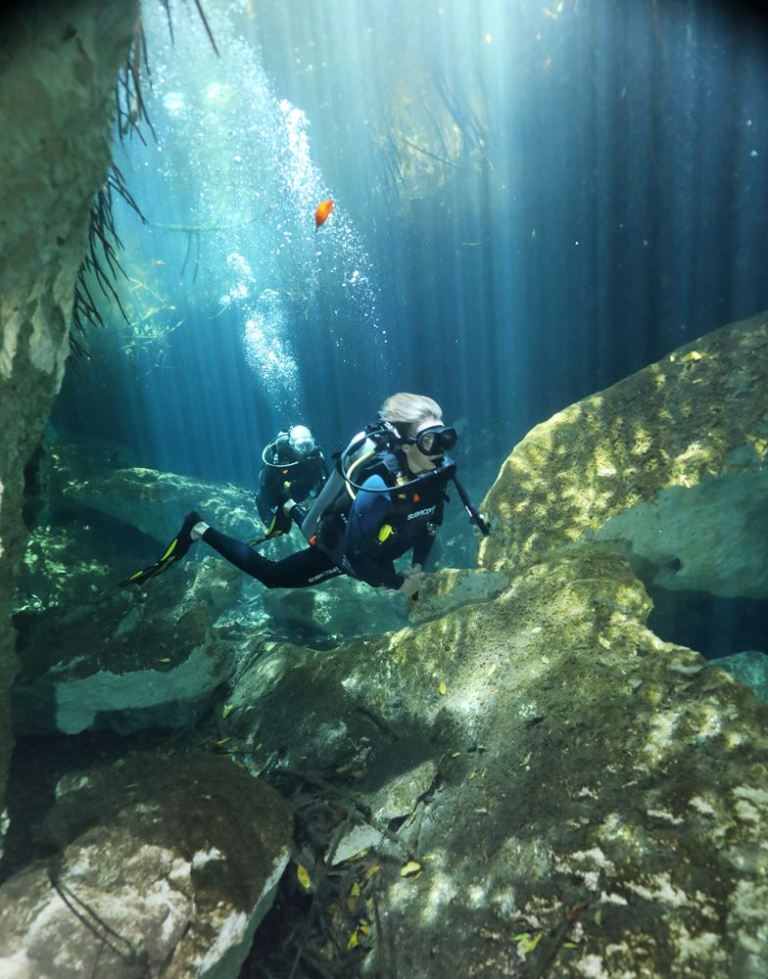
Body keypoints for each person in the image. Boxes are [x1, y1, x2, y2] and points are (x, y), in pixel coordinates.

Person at [119, 394, 489, 596]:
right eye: (430, 441)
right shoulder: (379, 489)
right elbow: (356, 560)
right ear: (405, 444)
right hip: (341, 548)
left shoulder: (435, 474)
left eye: (446, 438)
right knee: (272, 576)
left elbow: (430, 523)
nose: (442, 450)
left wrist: (419, 565)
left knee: (345, 540)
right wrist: (399, 583)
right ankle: (198, 528)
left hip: (380, 545)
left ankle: (291, 505)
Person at [254, 424, 328, 543]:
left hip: (302, 491)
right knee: (265, 503)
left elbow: (325, 482)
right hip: (281, 492)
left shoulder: (315, 456)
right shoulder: (279, 457)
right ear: (292, 445)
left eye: (308, 445)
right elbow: (264, 483)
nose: (305, 451)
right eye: (300, 446)